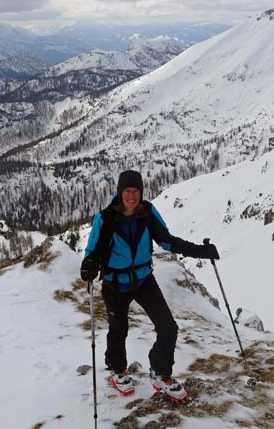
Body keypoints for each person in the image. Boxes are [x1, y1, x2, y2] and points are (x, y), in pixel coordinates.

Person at [80, 169, 219, 402]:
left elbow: (167, 241)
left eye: (136, 191)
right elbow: (92, 253)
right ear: (120, 192)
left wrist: (200, 251)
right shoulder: (105, 219)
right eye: (127, 191)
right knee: (119, 329)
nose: (132, 196)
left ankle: (160, 372)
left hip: (144, 279)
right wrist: (89, 266)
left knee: (168, 327)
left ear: (141, 192)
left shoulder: (147, 213)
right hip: (115, 283)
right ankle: (117, 370)